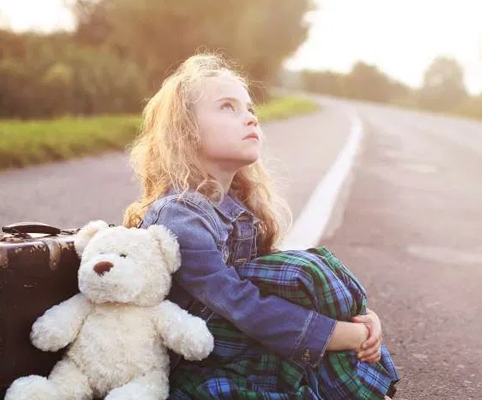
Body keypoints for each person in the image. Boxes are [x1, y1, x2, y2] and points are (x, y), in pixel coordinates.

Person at [123, 53, 400, 399]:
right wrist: (343, 334)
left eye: (250, 109)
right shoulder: (180, 214)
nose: (250, 118)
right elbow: (241, 303)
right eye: (228, 107)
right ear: (186, 132)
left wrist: (362, 317)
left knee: (307, 275)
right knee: (307, 270)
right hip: (192, 361)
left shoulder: (236, 208)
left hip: (238, 347)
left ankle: (360, 381)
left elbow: (275, 292)